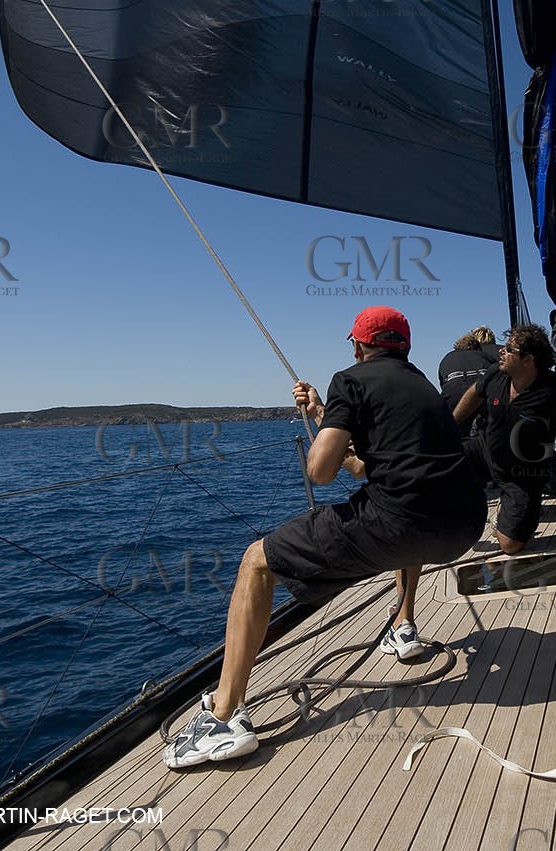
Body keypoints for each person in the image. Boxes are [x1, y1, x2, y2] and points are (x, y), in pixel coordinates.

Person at [162, 306, 485, 770]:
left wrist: (327, 413)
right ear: (406, 347)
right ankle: (404, 627)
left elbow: (321, 470)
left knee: (257, 560)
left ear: (357, 346)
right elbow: (371, 470)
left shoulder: (350, 380)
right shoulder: (425, 389)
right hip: (462, 527)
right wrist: (322, 413)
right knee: (406, 506)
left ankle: (224, 717)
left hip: (403, 525)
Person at [452, 323, 556, 555]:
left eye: (509, 349)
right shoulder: (497, 373)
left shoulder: (554, 390)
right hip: (485, 451)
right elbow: (475, 391)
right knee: (441, 462)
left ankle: (509, 509)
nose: (501, 351)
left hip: (523, 474)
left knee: (510, 545)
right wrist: (450, 425)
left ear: (528, 360)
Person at [437, 326, 501, 436]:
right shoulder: (488, 355)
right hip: (487, 398)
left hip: (453, 398)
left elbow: (444, 384)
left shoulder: (447, 358)